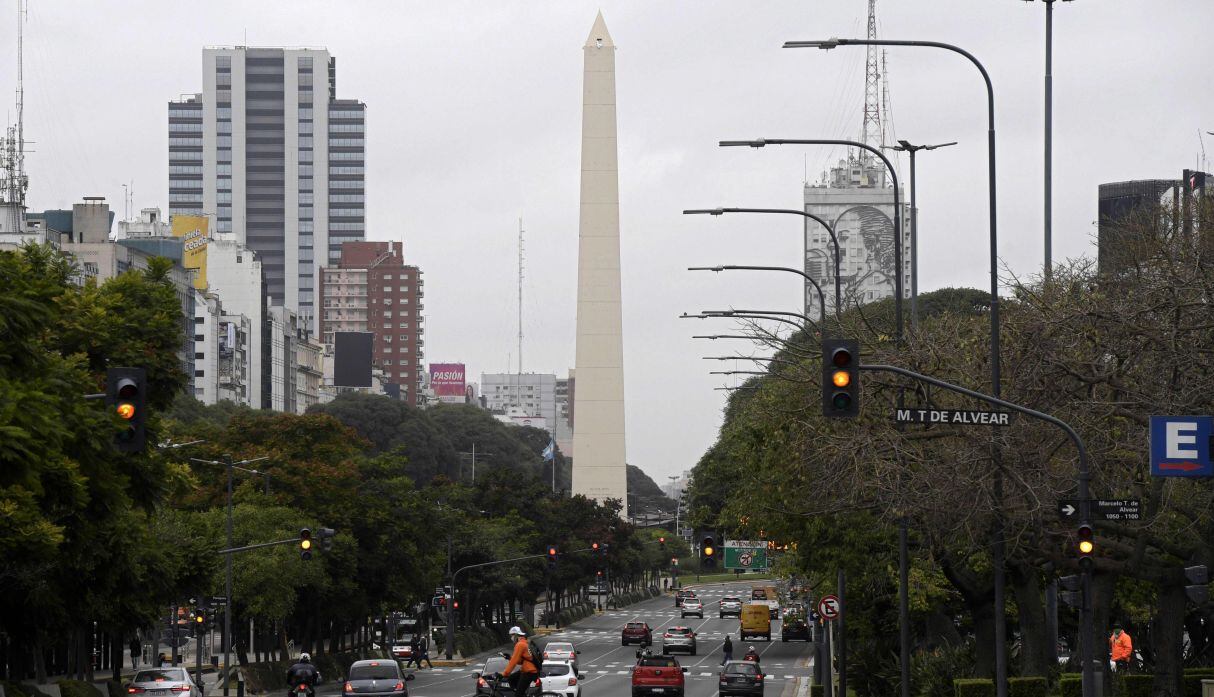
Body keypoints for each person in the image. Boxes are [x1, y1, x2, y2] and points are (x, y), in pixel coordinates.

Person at [497, 626, 538, 697]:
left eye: (512, 635)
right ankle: (522, 693)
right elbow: (521, 661)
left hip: (529, 672)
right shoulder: (524, 642)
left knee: (518, 695)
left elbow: (513, 662)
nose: (511, 638)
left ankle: (520, 693)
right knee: (511, 679)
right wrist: (509, 657)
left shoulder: (520, 645)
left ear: (516, 635)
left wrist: (504, 674)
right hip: (528, 670)